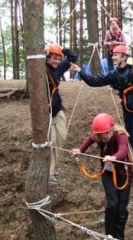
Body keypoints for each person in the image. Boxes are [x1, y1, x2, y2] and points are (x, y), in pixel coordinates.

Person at [73, 45, 133, 182]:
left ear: (124, 57)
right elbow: (95, 81)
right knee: (132, 140)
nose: (113, 57)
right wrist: (80, 71)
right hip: (127, 108)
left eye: (116, 55)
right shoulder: (114, 74)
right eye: (113, 55)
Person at [71, 113, 133, 240]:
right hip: (107, 172)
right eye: (100, 136)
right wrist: (80, 150)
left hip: (124, 174)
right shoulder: (99, 136)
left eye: (105, 136)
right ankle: (109, 236)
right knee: (112, 205)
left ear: (110, 130)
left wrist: (113, 157)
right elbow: (90, 139)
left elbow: (123, 150)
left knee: (122, 210)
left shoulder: (120, 135)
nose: (103, 138)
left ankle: (119, 237)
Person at [45, 43, 78, 184]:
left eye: (59, 59)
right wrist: (46, 50)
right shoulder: (42, 68)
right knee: (50, 140)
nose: (57, 61)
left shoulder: (58, 68)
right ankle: (49, 172)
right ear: (47, 58)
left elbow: (73, 56)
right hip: (44, 110)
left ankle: (52, 167)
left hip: (57, 107)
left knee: (61, 137)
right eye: (54, 58)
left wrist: (60, 48)